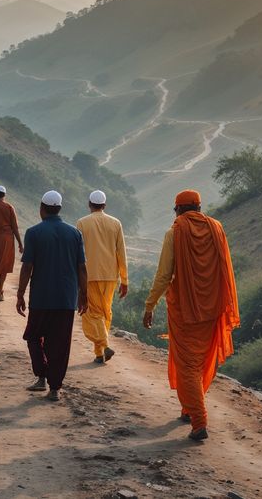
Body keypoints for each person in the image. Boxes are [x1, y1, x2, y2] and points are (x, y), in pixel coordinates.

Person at [143, 189, 240, 442]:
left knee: (187, 366)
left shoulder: (175, 232)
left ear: (178, 210)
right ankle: (188, 409)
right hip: (213, 308)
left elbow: (164, 275)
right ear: (198, 207)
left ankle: (199, 422)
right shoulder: (216, 227)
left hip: (185, 311)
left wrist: (150, 304)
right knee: (201, 362)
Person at [16, 190, 88, 402]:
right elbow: (82, 268)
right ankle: (55, 387)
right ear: (59, 208)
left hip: (41, 297)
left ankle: (42, 376)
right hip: (66, 299)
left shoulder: (33, 233)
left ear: (41, 208)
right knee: (60, 343)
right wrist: (84, 294)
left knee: (32, 336)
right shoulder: (74, 233)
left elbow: (27, 266)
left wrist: (20, 293)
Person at [75, 190, 128, 364]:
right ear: (104, 205)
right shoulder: (116, 223)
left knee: (92, 313)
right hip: (110, 276)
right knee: (104, 312)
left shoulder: (82, 223)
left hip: (88, 274)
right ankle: (99, 354)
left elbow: (78, 253)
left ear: (89, 204)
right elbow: (121, 252)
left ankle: (104, 346)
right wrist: (125, 279)